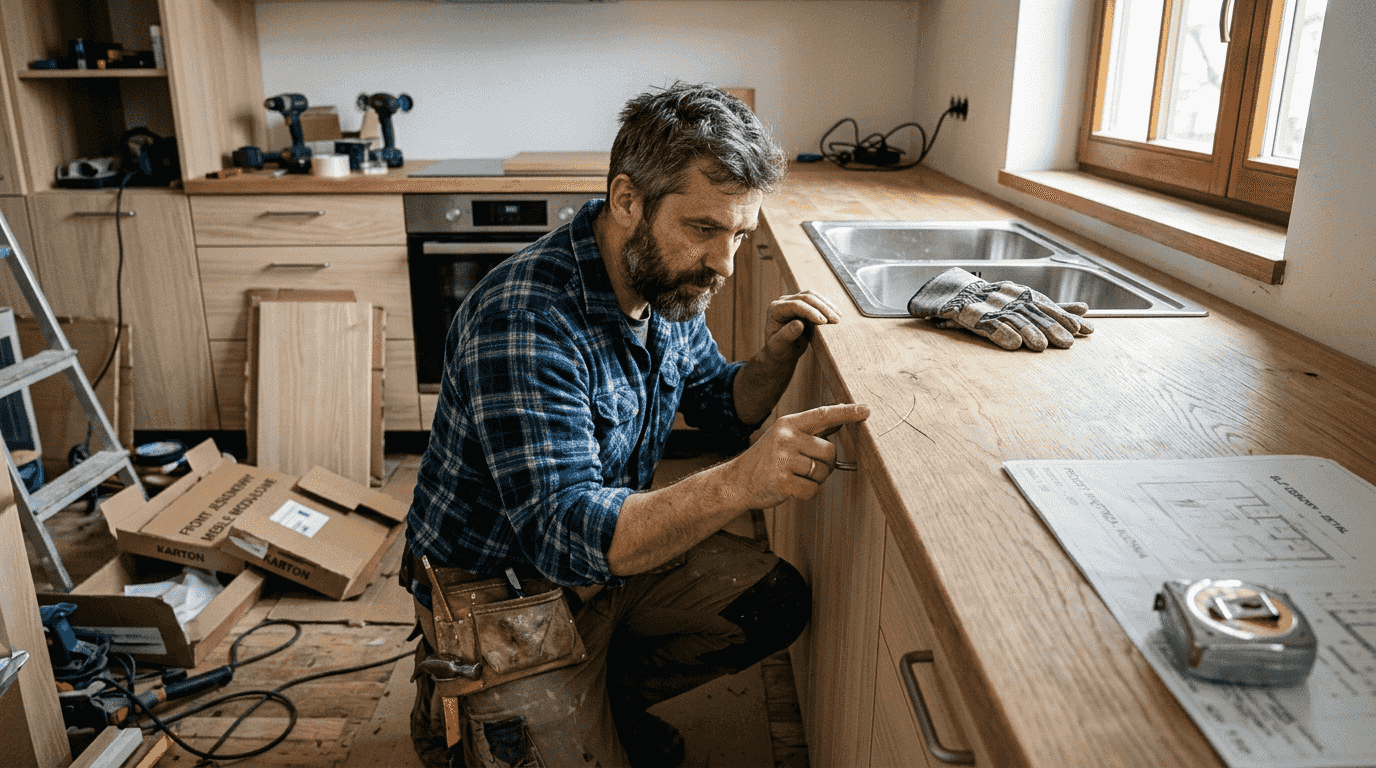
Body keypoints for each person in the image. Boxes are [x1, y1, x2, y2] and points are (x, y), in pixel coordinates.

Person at [402, 81, 871, 768]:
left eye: (740, 234)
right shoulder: (527, 321)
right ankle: (459, 702)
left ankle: (593, 702)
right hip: (503, 594)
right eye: (705, 229)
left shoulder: (664, 283)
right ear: (627, 200)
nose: (725, 264)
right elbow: (565, 537)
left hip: (602, 571)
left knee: (771, 601)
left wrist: (779, 354)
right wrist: (739, 484)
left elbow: (718, 402)